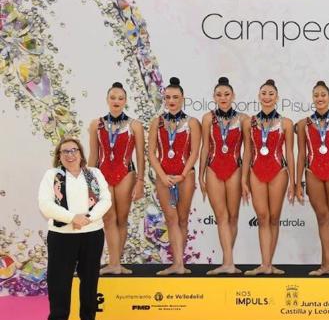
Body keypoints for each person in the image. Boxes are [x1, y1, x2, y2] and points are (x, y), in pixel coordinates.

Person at [38, 137, 112, 320]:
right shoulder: (52, 175)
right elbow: (45, 205)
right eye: (65, 152)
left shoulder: (94, 173)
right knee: (59, 280)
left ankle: (88, 318)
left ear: (81, 153)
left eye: (74, 150)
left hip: (92, 233)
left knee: (90, 278)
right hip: (62, 236)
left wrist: (89, 218)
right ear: (59, 156)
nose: (70, 155)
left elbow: (106, 199)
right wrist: (72, 218)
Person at [87, 82, 144, 275]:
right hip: (102, 174)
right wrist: (89, 182)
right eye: (113, 98)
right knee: (108, 218)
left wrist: (140, 181)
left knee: (122, 218)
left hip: (126, 173)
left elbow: (141, 157)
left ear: (126, 101)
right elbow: (93, 156)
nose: (116, 101)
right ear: (107, 100)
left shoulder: (135, 125)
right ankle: (114, 263)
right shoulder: (96, 124)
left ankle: (116, 263)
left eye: (120, 98)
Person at [147, 76, 201, 276]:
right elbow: (151, 153)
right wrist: (161, 175)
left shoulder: (192, 122)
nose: (171, 101)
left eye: (175, 97)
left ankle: (180, 263)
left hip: (185, 176)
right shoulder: (157, 123)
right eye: (168, 97)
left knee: (183, 218)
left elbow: (195, 152)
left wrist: (183, 174)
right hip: (164, 177)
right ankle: (176, 263)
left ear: (183, 98)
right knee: (170, 218)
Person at [295, 80, 329, 275]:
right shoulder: (303, 124)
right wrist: (297, 183)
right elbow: (301, 155)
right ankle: (327, 265)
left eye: (323, 95)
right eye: (316, 95)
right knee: (323, 217)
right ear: (312, 98)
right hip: (313, 174)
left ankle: (328, 265)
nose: (320, 98)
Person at [198, 76, 248, 275]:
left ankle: (228, 261)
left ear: (233, 95)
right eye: (219, 95)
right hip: (213, 168)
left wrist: (244, 178)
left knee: (233, 216)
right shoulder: (208, 118)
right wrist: (200, 175)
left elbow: (248, 151)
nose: (223, 97)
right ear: (214, 97)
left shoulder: (244, 119)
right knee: (221, 217)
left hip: (235, 168)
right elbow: (204, 148)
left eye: (226, 94)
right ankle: (228, 262)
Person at [245, 79, 296, 275]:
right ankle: (264, 264)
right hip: (256, 172)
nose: (267, 97)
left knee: (274, 218)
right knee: (263, 217)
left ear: (277, 98)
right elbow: (247, 153)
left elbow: (290, 153)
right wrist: (243, 180)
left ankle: (269, 264)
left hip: (279, 172)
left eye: (271, 94)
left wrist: (293, 181)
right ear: (259, 97)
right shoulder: (250, 122)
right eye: (264, 93)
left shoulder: (286, 123)